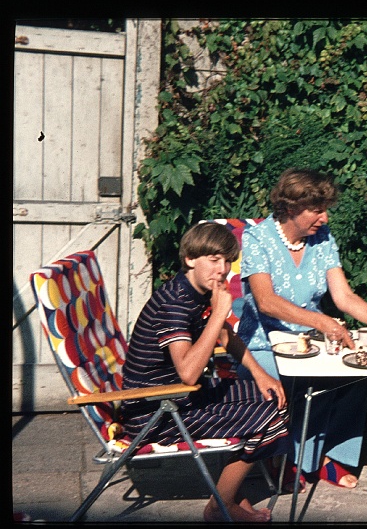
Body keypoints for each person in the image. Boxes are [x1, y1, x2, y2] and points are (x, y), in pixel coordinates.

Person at [236, 167, 367, 490]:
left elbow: (343, 296)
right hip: (262, 344)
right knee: (302, 381)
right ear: (290, 208)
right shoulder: (257, 237)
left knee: (359, 373)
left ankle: (329, 457)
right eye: (317, 210)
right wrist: (322, 322)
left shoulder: (322, 239)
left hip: (308, 342)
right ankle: (288, 459)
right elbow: (266, 302)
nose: (325, 218)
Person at [121, 222, 291, 523]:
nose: (223, 269)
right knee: (272, 412)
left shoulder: (194, 289)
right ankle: (220, 506)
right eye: (214, 260)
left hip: (179, 396)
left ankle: (230, 494)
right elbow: (187, 372)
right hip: (157, 411)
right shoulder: (175, 302)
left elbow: (225, 336)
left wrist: (259, 373)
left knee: (271, 394)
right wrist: (220, 310)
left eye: (227, 261)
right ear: (190, 259)